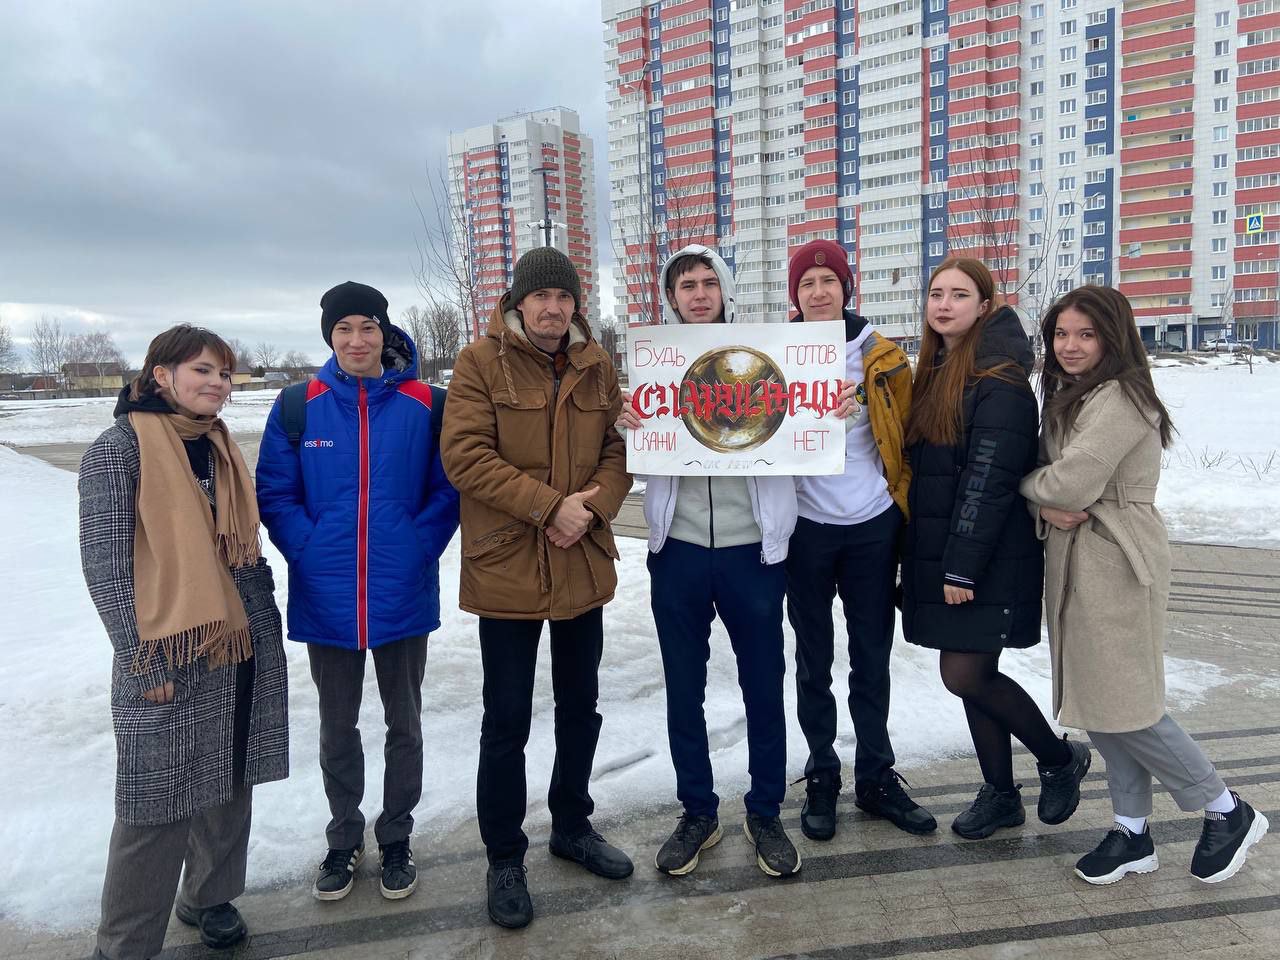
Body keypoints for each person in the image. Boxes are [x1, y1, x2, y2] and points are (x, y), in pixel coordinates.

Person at [1021, 285, 1269, 884]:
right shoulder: (1073, 394)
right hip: (1077, 557)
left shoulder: (1122, 396)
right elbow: (1059, 487)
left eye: (1086, 334)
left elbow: (1071, 482)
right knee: (1100, 703)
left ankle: (1224, 807)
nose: (1070, 345)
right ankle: (1131, 830)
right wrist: (1043, 501)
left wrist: (1026, 487)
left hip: (1116, 558)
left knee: (1127, 702)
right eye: (1061, 334)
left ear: (1114, 338)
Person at [80, 325, 289, 960]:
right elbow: (107, 568)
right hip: (165, 649)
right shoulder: (120, 449)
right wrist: (140, 663)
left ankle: (208, 897)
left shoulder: (217, 445)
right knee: (156, 806)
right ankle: (125, 945)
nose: (217, 385)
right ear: (161, 374)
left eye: (224, 374)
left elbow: (241, 546)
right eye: (203, 370)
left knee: (232, 777)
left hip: (237, 640)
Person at [441, 247, 633, 929]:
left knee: (581, 707)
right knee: (507, 719)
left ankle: (572, 826)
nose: (553, 308)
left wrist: (592, 509)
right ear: (518, 302)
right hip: (508, 566)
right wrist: (551, 507)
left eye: (563, 297)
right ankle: (504, 856)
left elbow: (617, 448)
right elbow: (465, 456)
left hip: (580, 561)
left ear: (576, 304)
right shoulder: (479, 362)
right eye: (541, 297)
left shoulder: (596, 365)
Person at [256, 281, 459, 903]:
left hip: (402, 592)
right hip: (327, 597)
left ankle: (396, 835)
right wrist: (310, 549)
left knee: (405, 724)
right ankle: (344, 836)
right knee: (337, 728)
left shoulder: (428, 404)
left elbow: (449, 488)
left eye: (368, 326)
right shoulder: (298, 405)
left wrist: (418, 546)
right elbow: (275, 493)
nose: (356, 340)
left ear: (384, 332)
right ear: (330, 337)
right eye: (343, 329)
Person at [616, 243, 804, 879]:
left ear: (725, 290)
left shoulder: (766, 358)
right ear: (671, 298)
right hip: (681, 551)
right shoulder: (658, 365)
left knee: (763, 686)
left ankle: (766, 811)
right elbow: (642, 449)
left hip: (755, 551)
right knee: (684, 689)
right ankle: (698, 811)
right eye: (685, 286)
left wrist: (830, 411)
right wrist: (628, 423)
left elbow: (803, 423)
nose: (698, 294)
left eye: (707, 282)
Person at [899, 257, 1090, 839]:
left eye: (959, 295)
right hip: (948, 550)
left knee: (966, 673)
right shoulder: (939, 370)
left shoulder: (999, 379)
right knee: (970, 670)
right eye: (936, 293)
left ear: (985, 306)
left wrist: (961, 567)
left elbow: (987, 479)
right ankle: (1001, 794)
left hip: (984, 556)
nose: (944, 305)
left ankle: (1059, 758)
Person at [784, 239, 937, 840]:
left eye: (829, 281)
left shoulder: (883, 356)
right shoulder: (775, 354)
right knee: (812, 658)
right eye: (807, 283)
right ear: (795, 295)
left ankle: (876, 775)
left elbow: (910, 437)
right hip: (805, 526)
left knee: (872, 655)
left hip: (873, 523)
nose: (819, 291)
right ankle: (822, 772)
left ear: (847, 288)